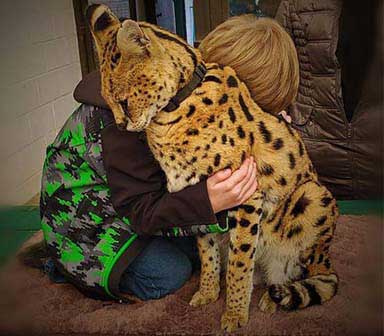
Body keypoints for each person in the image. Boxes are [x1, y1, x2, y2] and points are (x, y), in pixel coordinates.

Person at [39, 14, 296, 302]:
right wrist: (206, 201)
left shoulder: (190, 82)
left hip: (135, 192)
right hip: (90, 219)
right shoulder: (130, 120)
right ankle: (64, 264)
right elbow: (139, 210)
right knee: (170, 271)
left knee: (203, 232)